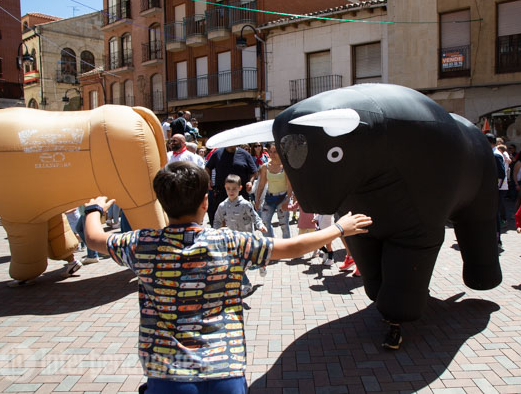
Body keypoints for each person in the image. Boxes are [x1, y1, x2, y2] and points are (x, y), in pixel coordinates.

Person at [82, 161, 371, 393]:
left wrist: (94, 210)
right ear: (205, 202)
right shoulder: (229, 241)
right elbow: (292, 247)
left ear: (161, 202)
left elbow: (94, 238)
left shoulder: (141, 244)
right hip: (225, 371)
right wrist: (339, 228)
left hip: (166, 373)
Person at [213, 174, 267, 296]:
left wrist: (260, 225)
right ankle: (246, 285)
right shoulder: (223, 206)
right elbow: (217, 221)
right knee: (236, 265)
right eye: (228, 189)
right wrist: (214, 233)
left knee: (249, 264)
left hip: (247, 240)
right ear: (225, 188)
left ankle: (261, 264)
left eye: (234, 188)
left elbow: (255, 217)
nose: (231, 191)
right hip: (233, 241)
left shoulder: (245, 204)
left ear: (240, 188)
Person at [205, 146, 257, 227]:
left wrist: (250, 182)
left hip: (240, 194)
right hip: (221, 194)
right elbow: (207, 168)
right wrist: (208, 180)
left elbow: (254, 171)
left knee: (241, 221)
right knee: (221, 221)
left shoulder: (245, 154)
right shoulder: (217, 153)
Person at [254, 143, 292, 239]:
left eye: (275, 152)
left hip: (283, 197)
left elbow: (289, 185)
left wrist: (288, 200)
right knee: (264, 222)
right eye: (270, 152)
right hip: (269, 198)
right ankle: (272, 243)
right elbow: (261, 184)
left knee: (284, 225)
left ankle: (287, 246)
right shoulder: (265, 167)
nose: (272, 154)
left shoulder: (285, 166)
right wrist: (257, 199)